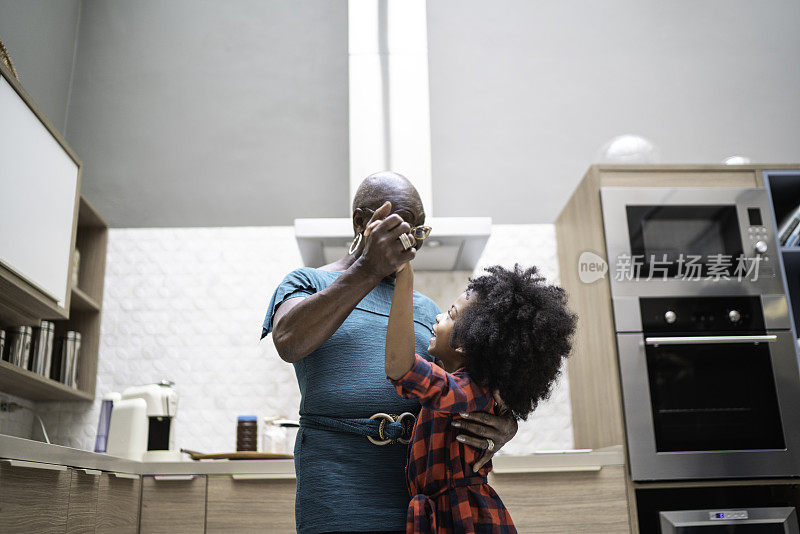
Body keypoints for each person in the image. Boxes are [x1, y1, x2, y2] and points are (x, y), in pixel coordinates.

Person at [261, 172, 519, 533]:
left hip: (424, 492)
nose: (407, 240)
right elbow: (289, 341)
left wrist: (505, 423)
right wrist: (368, 268)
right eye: (397, 225)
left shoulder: (428, 309)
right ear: (361, 222)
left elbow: (467, 387)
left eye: (418, 231)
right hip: (337, 483)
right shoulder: (307, 282)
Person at [384, 260, 578, 533]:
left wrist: (404, 277)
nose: (438, 317)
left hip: (464, 518)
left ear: (466, 342)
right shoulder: (467, 386)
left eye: (449, 314)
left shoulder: (470, 391)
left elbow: (403, 370)